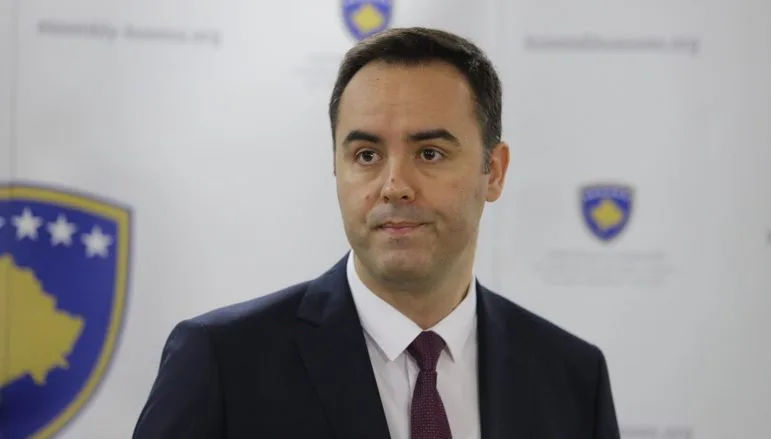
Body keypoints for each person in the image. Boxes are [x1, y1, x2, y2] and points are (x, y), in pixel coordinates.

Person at [133, 26, 621, 439]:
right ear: (337, 168)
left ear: (493, 171)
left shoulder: (573, 377)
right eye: (366, 155)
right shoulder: (224, 362)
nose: (394, 186)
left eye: (429, 153)